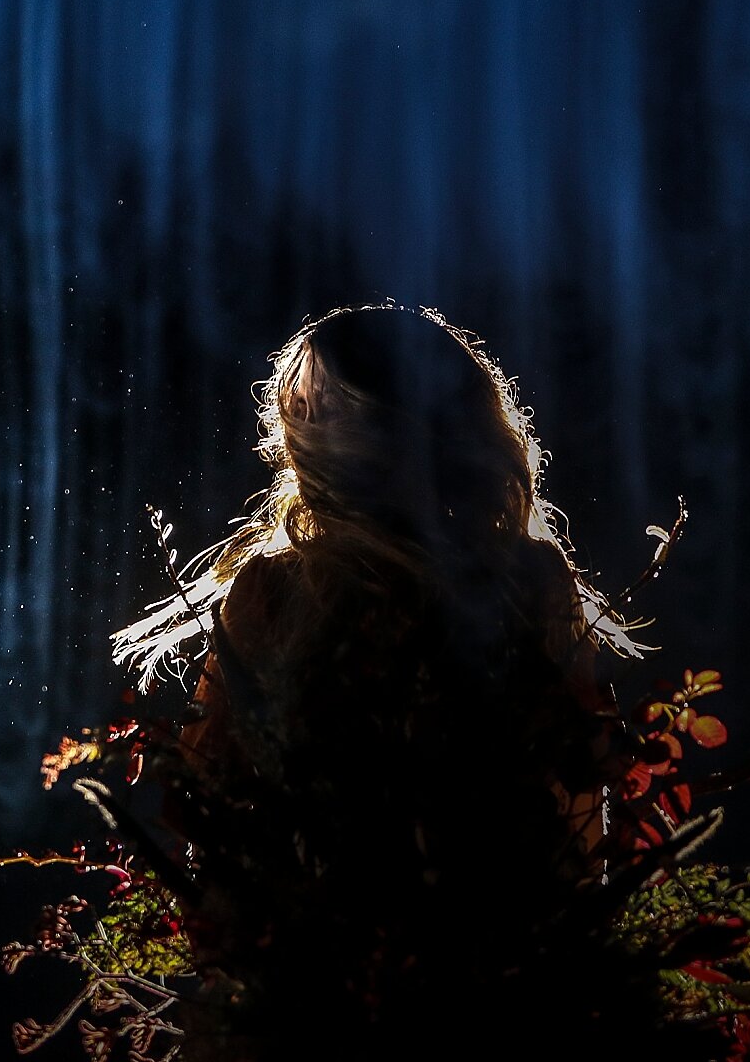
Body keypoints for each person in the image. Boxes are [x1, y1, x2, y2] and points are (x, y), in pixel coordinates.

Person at [96, 297, 660, 1055]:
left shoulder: (275, 592)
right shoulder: (525, 581)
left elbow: (212, 815)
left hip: (313, 1002)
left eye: (313, 407)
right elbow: (577, 820)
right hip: (491, 991)